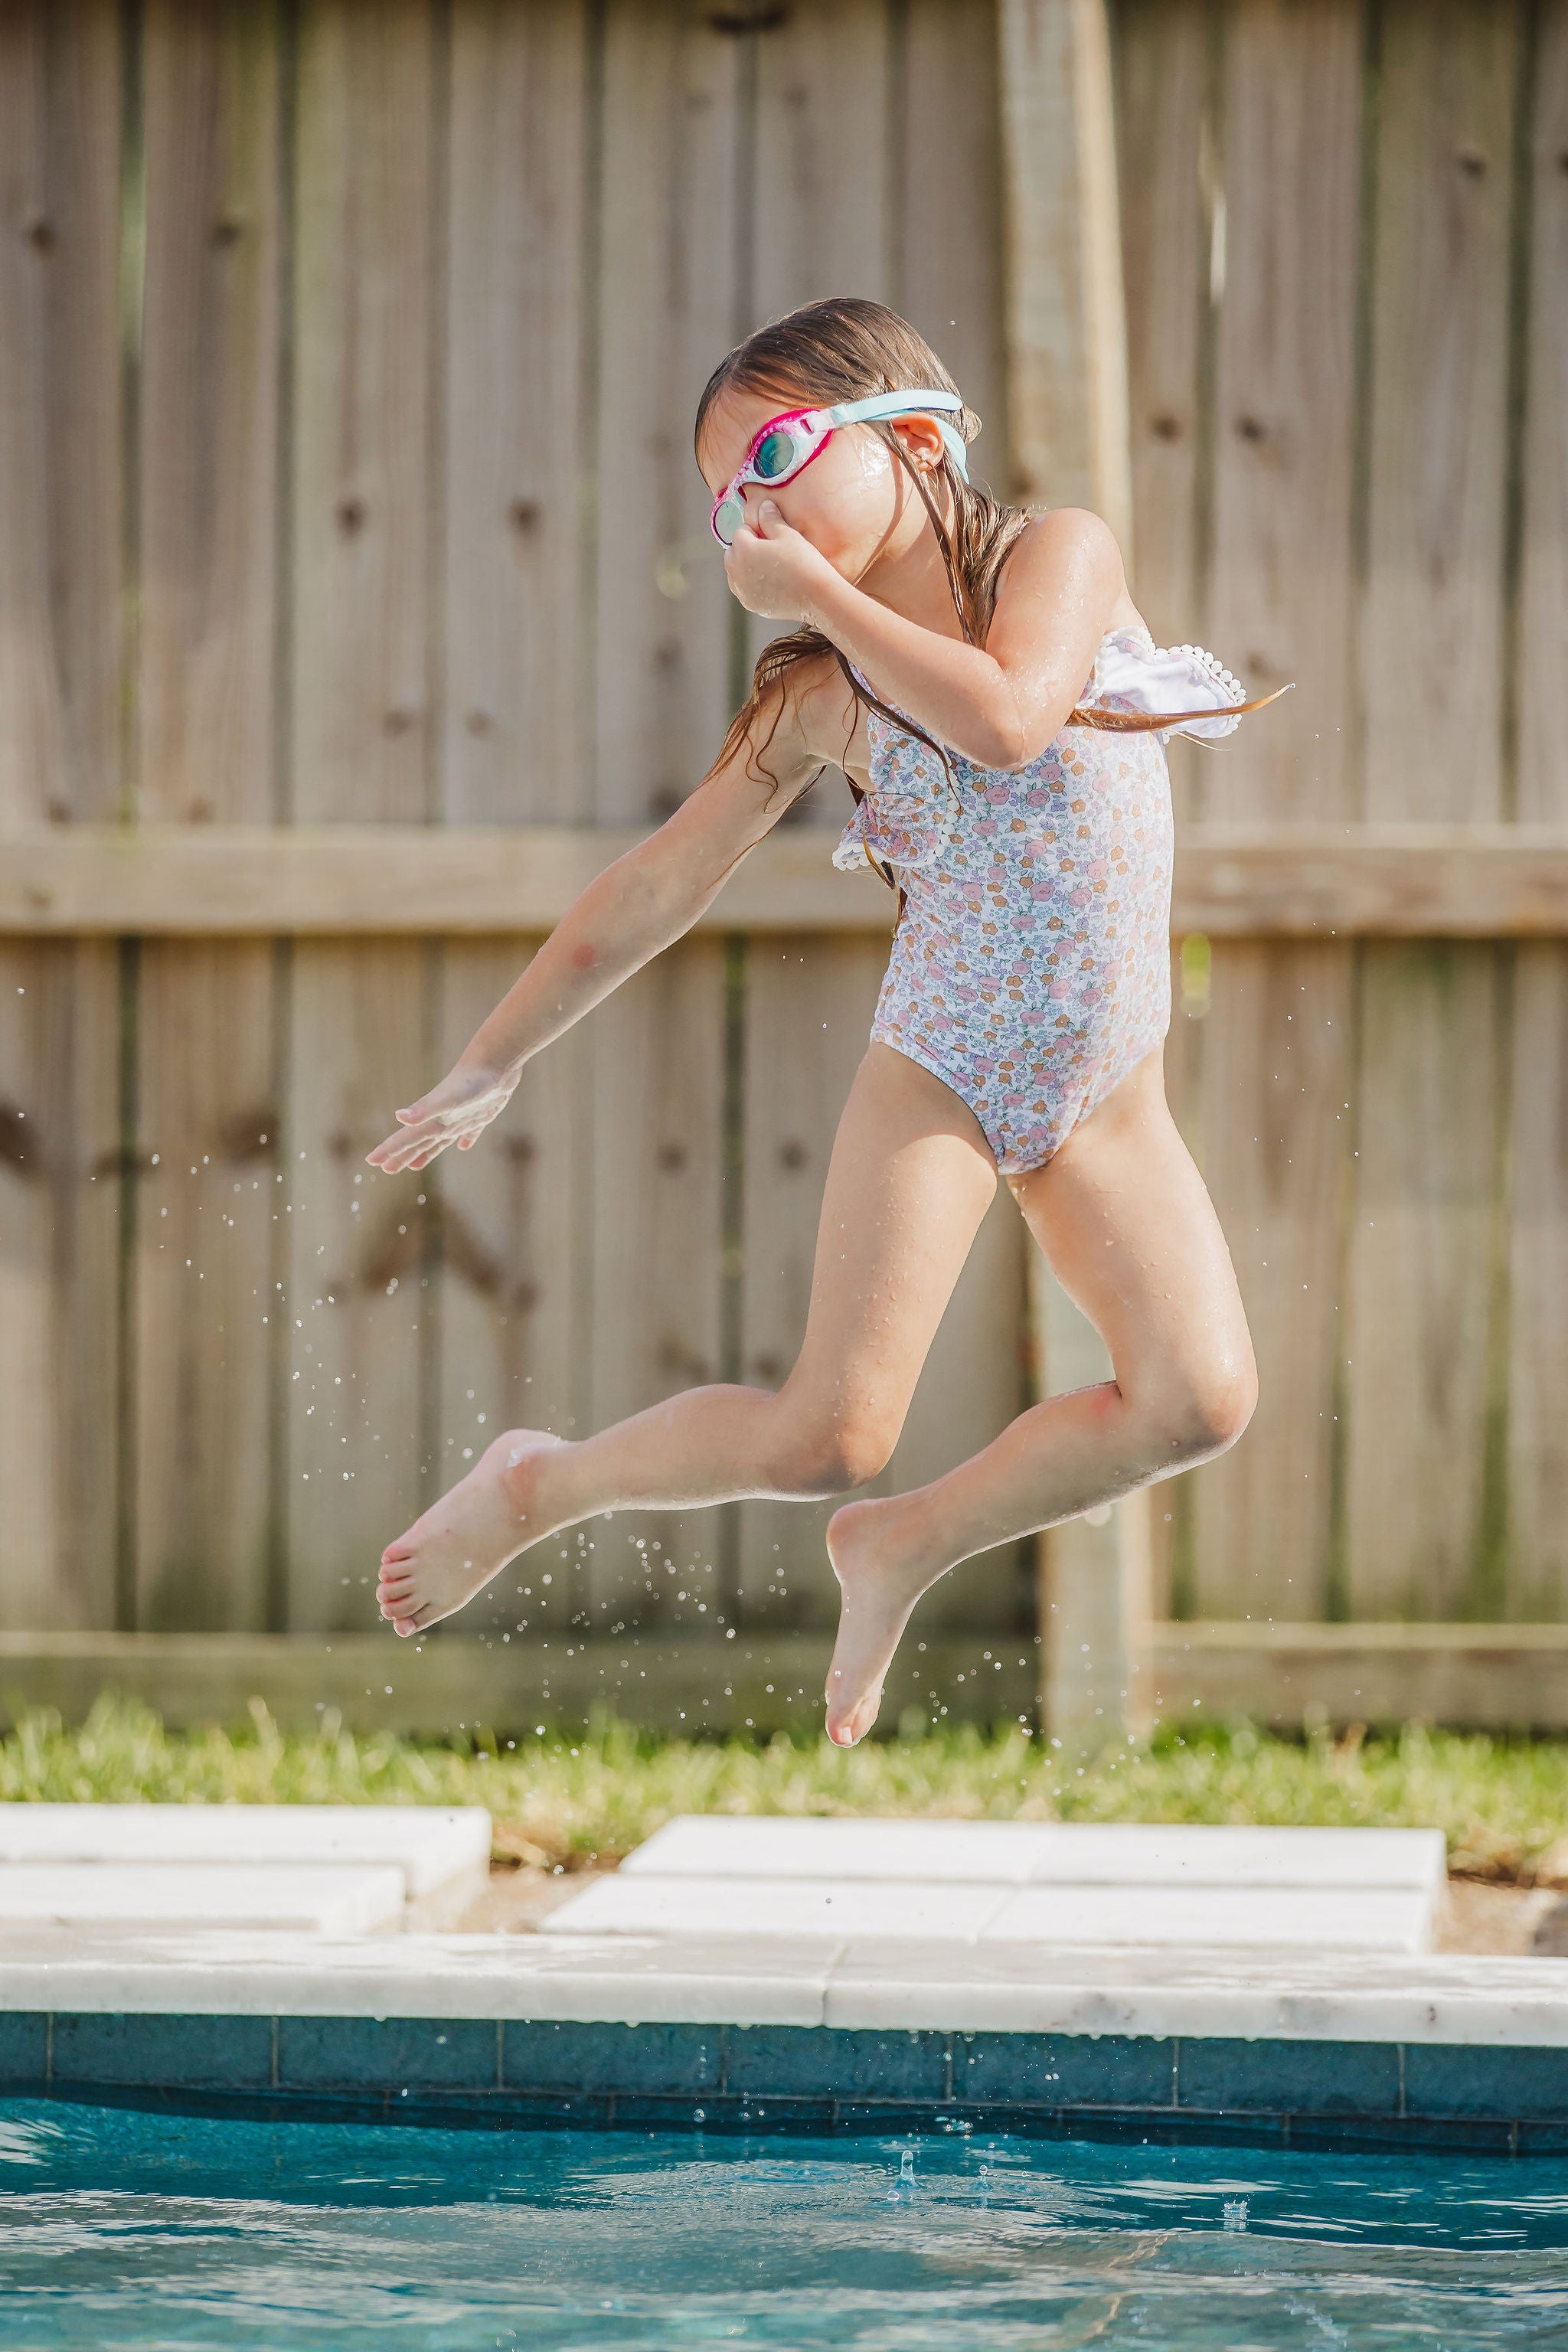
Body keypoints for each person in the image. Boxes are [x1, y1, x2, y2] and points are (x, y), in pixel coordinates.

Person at [369, 296, 1283, 1746]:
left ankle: (908, 1539)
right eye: (727, 493)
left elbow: (1004, 718)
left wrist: (823, 600)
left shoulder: (1060, 554)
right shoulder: (816, 690)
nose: (751, 508)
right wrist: (496, 1054)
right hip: (945, 1069)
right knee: (824, 1438)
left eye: (778, 453)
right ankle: (543, 1483)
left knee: (1195, 1402)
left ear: (914, 437)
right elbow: (661, 878)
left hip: (1110, 1085)